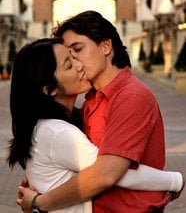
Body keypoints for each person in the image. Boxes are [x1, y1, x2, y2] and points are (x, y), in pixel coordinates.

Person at [16, 11, 184, 213]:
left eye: (77, 50)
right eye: (69, 57)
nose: (76, 62)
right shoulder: (90, 102)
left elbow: (105, 173)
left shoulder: (130, 96)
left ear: (105, 46)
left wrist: (40, 203)